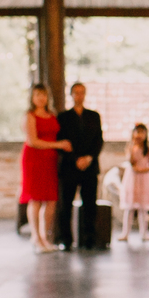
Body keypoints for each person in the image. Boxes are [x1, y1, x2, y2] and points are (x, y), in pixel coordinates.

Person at [20, 83, 70, 253]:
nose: (40, 98)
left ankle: (45, 237)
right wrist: (58, 144)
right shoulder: (30, 116)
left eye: (43, 95)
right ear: (32, 98)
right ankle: (36, 238)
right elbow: (32, 141)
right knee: (35, 198)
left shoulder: (52, 115)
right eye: (37, 95)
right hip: (34, 159)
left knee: (51, 199)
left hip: (50, 161)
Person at [56, 82, 104, 250]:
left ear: (85, 95)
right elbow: (61, 142)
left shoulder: (94, 116)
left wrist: (89, 158)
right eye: (76, 92)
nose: (79, 95)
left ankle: (89, 238)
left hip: (89, 167)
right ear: (71, 95)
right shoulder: (63, 117)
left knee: (90, 204)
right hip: (69, 167)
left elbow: (99, 140)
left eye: (82, 92)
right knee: (65, 205)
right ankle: (65, 239)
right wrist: (75, 159)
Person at [118, 124, 149, 242]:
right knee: (129, 208)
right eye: (137, 132)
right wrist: (131, 149)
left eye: (142, 132)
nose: (139, 135)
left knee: (143, 208)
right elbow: (131, 162)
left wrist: (142, 170)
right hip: (132, 179)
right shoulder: (131, 148)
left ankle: (144, 234)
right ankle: (125, 233)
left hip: (144, 179)